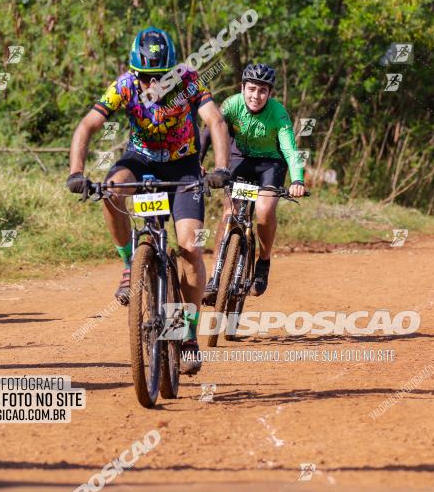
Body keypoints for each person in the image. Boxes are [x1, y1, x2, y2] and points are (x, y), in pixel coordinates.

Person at [67, 27, 231, 375]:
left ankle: (186, 334)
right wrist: (77, 172)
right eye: (145, 77)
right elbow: (86, 126)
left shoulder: (189, 81)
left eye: (159, 77)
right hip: (140, 161)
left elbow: (215, 120)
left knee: (189, 249)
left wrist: (220, 168)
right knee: (112, 189)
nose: (151, 84)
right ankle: (130, 263)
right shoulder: (125, 86)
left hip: (183, 166)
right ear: (134, 72)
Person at [201, 62, 305, 303]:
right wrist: (197, 161)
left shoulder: (278, 113)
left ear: (270, 93)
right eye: (251, 89)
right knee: (229, 213)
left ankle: (263, 260)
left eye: (262, 91)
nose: (255, 96)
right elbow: (208, 132)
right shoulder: (232, 104)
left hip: (270, 164)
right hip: (239, 159)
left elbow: (289, 148)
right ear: (242, 88)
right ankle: (215, 277)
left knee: (264, 211)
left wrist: (297, 179)